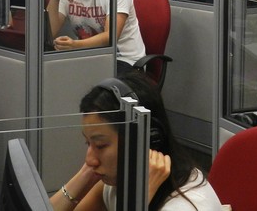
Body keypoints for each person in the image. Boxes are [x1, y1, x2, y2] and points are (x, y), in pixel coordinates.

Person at [50, 71, 223, 210]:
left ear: (146, 140)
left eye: (101, 145)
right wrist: (85, 175)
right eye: (88, 143)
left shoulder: (183, 206)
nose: (89, 159)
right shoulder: (119, 179)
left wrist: (141, 196)